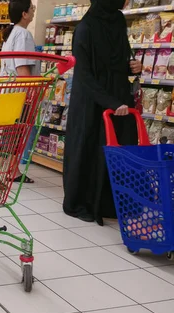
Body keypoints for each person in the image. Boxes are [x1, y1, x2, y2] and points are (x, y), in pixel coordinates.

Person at [63, 0, 141, 226]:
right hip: (91, 102)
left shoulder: (117, 21)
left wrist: (130, 67)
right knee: (89, 149)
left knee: (118, 150)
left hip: (118, 99)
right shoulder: (85, 29)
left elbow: (115, 63)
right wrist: (109, 102)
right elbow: (85, 76)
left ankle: (111, 202)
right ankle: (81, 203)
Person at [0, 0, 37, 189]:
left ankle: (12, 170)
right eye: (32, 8)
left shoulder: (11, 34)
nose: (33, 11)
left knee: (14, 133)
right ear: (24, 14)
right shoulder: (23, 34)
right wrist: (31, 92)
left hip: (7, 90)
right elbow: (22, 68)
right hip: (18, 92)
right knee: (12, 134)